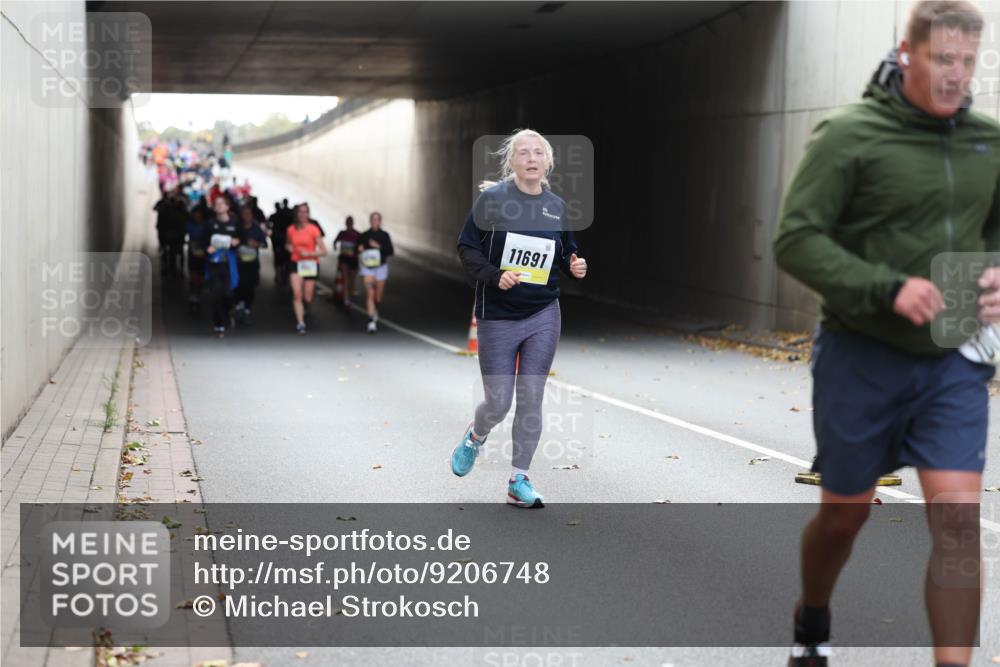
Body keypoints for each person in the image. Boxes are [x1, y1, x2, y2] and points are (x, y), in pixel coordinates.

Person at [773, 3, 1000, 665]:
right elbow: (795, 240)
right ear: (908, 54)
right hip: (860, 356)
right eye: (942, 60)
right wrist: (886, 287)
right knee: (845, 516)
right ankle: (813, 615)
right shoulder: (849, 135)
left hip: (953, 359)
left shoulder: (987, 142)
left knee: (958, 526)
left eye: (967, 61)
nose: (956, 75)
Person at [450, 128, 588, 508]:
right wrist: (495, 276)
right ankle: (475, 437)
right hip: (498, 314)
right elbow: (466, 246)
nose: (531, 157)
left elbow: (566, 251)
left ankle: (519, 479)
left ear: (547, 162)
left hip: (544, 311)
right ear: (511, 161)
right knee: (498, 402)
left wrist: (574, 264)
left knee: (531, 397)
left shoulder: (556, 206)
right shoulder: (492, 200)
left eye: (538, 152)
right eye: (523, 152)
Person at [286, 203, 327, 334]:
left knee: (307, 297)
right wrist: (289, 248)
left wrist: (309, 254)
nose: (303, 215)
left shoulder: (313, 229)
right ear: (296, 214)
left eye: (305, 212)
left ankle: (306, 307)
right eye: (300, 212)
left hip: (310, 264)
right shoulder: (291, 229)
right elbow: (287, 244)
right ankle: (300, 323)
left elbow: (324, 251)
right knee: (297, 294)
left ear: (308, 215)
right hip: (296, 263)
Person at [205, 196, 241, 338]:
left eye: (222, 203)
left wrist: (235, 242)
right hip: (214, 264)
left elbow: (241, 239)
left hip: (229, 264)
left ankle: (228, 312)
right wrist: (207, 249)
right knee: (215, 294)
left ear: (228, 207)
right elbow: (203, 242)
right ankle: (218, 324)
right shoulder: (210, 223)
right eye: (216, 204)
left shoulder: (235, 223)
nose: (219, 206)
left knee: (228, 293)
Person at [358, 211, 394, 333]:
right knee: (370, 293)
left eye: (377, 219)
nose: (375, 222)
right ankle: (371, 321)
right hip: (367, 268)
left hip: (380, 267)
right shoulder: (364, 235)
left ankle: (375, 309)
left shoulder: (384, 235)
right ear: (370, 221)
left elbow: (390, 251)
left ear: (380, 221)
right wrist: (360, 249)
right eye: (373, 219)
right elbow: (357, 249)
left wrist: (378, 246)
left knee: (378, 297)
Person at [234, 205, 268, 325]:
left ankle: (247, 308)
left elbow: (265, 244)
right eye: (244, 214)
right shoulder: (236, 228)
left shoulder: (256, 228)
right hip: (238, 263)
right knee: (237, 285)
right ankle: (239, 305)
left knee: (250, 286)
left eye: (249, 214)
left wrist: (256, 244)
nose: (246, 216)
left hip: (252, 263)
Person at [333, 215, 361, 307]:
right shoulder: (342, 233)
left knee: (351, 281)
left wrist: (357, 250)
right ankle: (346, 300)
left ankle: (349, 298)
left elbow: (362, 247)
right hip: (344, 259)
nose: (349, 224)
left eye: (350, 222)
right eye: (347, 222)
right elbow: (335, 242)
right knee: (345, 279)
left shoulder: (357, 234)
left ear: (352, 223)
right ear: (346, 223)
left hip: (353, 259)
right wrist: (336, 247)